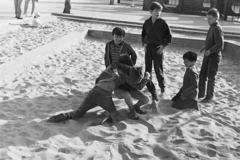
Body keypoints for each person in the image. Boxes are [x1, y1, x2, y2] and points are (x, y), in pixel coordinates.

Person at [47, 55, 151, 123]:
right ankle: (105, 122)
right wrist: (146, 77)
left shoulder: (110, 67)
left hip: (93, 92)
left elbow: (97, 80)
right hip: (104, 96)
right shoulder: (125, 73)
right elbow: (139, 86)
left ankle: (56, 118)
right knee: (115, 116)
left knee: (77, 113)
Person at [114, 55, 159, 120]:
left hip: (131, 90)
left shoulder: (138, 72)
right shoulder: (121, 72)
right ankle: (132, 111)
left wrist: (155, 100)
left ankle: (136, 107)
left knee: (146, 99)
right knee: (127, 94)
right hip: (119, 90)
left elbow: (151, 87)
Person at [141, 2, 172, 94]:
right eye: (156, 11)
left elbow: (169, 36)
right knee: (148, 69)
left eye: (159, 11)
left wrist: (163, 45)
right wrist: (144, 43)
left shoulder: (163, 23)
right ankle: (149, 86)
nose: (158, 13)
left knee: (158, 69)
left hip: (158, 49)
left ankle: (162, 87)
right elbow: (143, 34)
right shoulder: (147, 22)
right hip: (148, 48)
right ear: (150, 11)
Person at [198, 8, 224, 103]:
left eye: (210, 18)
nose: (208, 21)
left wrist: (210, 50)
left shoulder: (217, 28)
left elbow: (220, 45)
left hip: (214, 57)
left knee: (211, 77)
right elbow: (210, 41)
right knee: (202, 75)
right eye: (207, 19)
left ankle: (209, 97)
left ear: (216, 18)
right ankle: (200, 95)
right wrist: (205, 47)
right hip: (207, 55)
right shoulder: (212, 27)